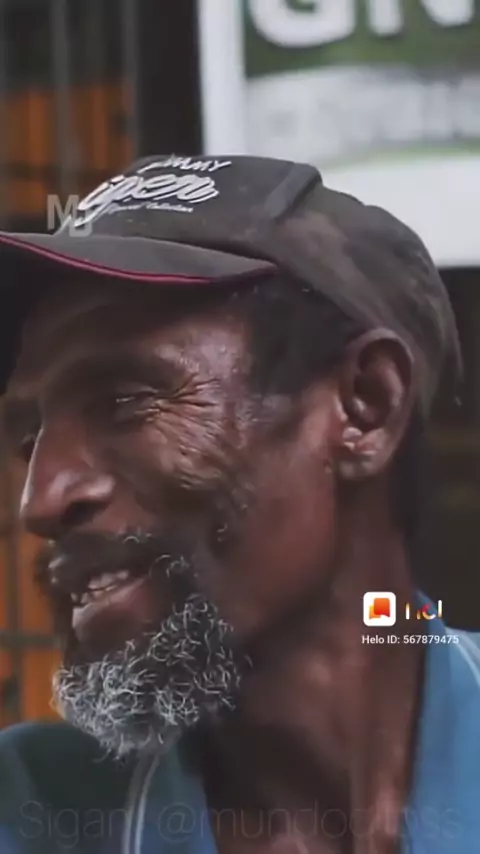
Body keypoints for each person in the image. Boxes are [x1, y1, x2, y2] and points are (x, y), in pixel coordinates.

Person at [0, 154, 477, 854]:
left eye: (124, 401)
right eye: (28, 439)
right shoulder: (29, 812)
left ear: (365, 405)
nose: (40, 502)